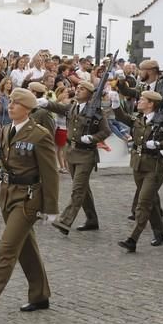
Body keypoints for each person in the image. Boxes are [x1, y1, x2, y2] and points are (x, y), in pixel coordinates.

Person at [0, 88, 59, 324]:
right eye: (11, 103)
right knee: (26, 247)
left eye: (16, 104)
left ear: (27, 108)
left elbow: (50, 173)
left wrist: (51, 207)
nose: (11, 106)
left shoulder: (39, 134)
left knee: (6, 251)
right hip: (7, 196)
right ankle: (40, 295)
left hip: (28, 200)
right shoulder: (7, 130)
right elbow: (4, 159)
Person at [42, 81, 110, 234]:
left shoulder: (97, 112)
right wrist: (46, 103)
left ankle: (65, 221)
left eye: (82, 89)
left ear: (90, 94)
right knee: (83, 189)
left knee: (78, 189)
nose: (78, 90)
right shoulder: (73, 106)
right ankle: (92, 220)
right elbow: (59, 107)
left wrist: (92, 138)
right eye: (77, 88)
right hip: (71, 153)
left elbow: (106, 132)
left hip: (86, 155)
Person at [110, 90, 163, 252]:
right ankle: (159, 232)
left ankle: (133, 239)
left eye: (142, 100)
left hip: (154, 167)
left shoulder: (162, 123)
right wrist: (116, 106)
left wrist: (158, 145)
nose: (138, 102)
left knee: (143, 203)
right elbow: (123, 118)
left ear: (151, 104)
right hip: (138, 165)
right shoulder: (140, 119)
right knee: (150, 201)